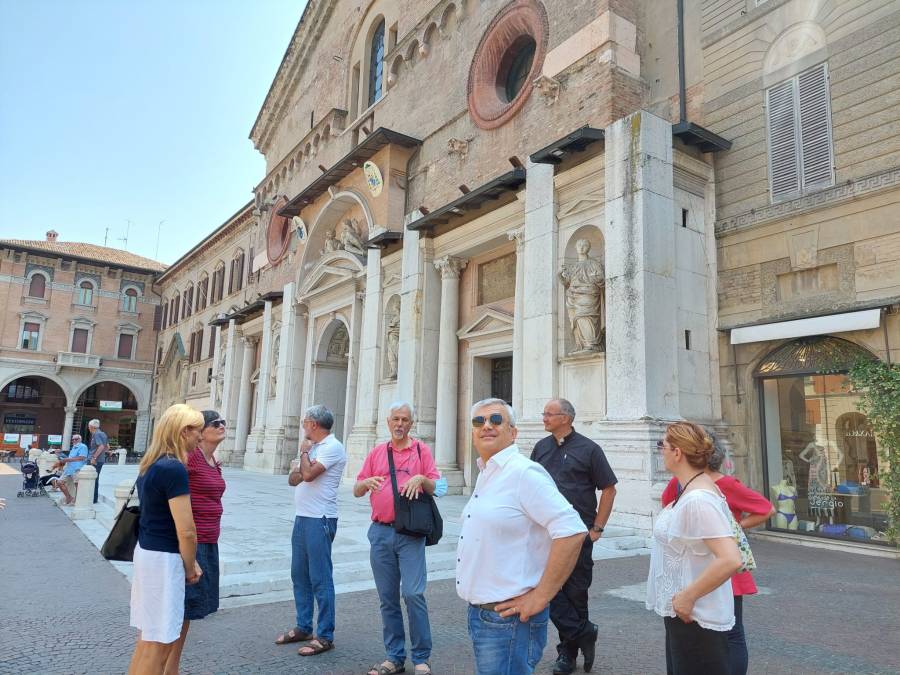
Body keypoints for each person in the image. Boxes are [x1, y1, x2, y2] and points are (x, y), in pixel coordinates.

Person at [457, 398, 587, 675]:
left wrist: (541, 596)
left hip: (509, 620)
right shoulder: (488, 473)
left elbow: (572, 531)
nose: (486, 426)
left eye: (496, 420)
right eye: (479, 421)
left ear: (513, 432)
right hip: (486, 615)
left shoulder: (523, 473)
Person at [661, 437, 775, 675]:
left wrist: (733, 528)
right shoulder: (693, 483)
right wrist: (734, 527)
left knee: (724, 635)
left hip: (717, 567)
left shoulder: (694, 485)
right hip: (711, 568)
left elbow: (767, 509)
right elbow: (767, 509)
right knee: (728, 636)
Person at [646, 422, 743, 675]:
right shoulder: (692, 489)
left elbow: (730, 558)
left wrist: (687, 597)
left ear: (677, 453)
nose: (661, 451)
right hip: (685, 614)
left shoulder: (699, 499)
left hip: (695, 615)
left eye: (663, 445)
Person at [531, 399, 618, 674]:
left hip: (579, 535)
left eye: (549, 414)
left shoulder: (590, 449)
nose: (544, 417)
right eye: (544, 413)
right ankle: (584, 633)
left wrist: (597, 528)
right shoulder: (540, 448)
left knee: (576, 593)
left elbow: (609, 489)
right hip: (546, 534)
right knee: (546, 588)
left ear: (566, 418)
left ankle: (567, 654)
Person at [354, 402, 441, 675]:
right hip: (380, 532)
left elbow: (439, 486)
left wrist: (421, 479)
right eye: (396, 419)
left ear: (411, 424)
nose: (400, 424)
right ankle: (394, 657)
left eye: (404, 419)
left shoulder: (421, 451)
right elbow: (357, 489)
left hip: (410, 534)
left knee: (413, 594)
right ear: (388, 422)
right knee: (387, 598)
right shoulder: (377, 452)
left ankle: (421, 657)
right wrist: (365, 483)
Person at [128, 404, 203, 675]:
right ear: (184, 432)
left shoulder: (151, 465)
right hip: (164, 559)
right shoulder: (174, 468)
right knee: (160, 644)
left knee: (148, 640)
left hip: (148, 553)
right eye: (197, 431)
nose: (200, 437)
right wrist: (190, 566)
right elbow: (186, 530)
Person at [275, 405, 346, 658]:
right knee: (299, 575)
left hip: (321, 519)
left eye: (305, 421)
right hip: (303, 518)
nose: (303, 425)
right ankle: (304, 626)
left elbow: (305, 475)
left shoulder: (332, 447)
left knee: (320, 578)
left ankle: (325, 635)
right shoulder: (314, 448)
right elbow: (293, 479)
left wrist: (304, 455)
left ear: (314, 424)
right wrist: (305, 464)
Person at [167, 411, 228, 669]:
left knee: (188, 611)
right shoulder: (190, 458)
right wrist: (187, 553)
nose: (222, 426)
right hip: (193, 541)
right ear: (200, 432)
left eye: (223, 422)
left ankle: (171, 667)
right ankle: (167, 668)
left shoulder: (212, 460)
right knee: (180, 610)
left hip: (209, 540)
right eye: (215, 423)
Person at [50, 434, 89, 505]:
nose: (74, 440)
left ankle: (77, 501)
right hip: (69, 469)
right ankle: (69, 497)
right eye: (73, 439)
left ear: (80, 439)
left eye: (76, 439)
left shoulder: (83, 446)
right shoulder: (73, 447)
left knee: (77, 486)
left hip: (77, 469)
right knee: (59, 482)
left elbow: (82, 457)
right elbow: (71, 458)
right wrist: (65, 460)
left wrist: (67, 459)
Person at [87, 419, 109, 504]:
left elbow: (101, 446)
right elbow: (107, 447)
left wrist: (94, 457)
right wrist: (103, 454)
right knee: (95, 478)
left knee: (92, 479)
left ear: (92, 427)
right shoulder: (103, 434)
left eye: (89, 426)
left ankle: (92, 498)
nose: (88, 428)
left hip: (95, 460)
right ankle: (94, 498)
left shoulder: (97, 434)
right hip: (100, 459)